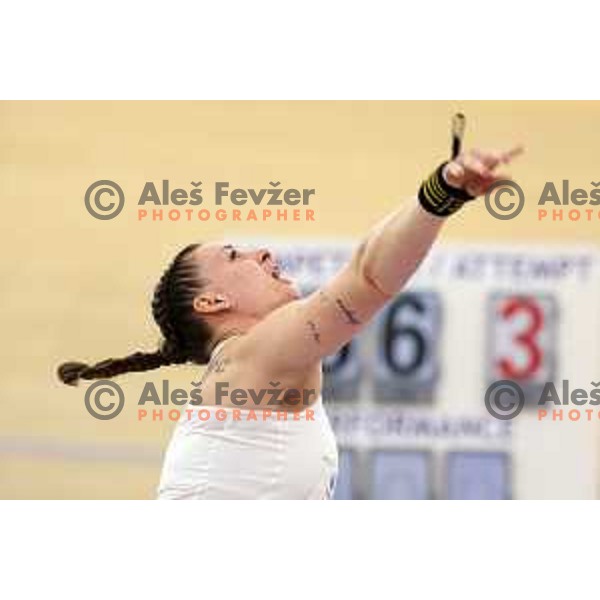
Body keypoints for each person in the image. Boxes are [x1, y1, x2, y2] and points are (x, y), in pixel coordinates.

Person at [58, 144, 522, 499]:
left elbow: (365, 257)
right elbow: (368, 278)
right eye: (235, 255)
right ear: (212, 301)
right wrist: (444, 194)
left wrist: (445, 184)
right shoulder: (252, 358)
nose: (263, 252)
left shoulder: (253, 364)